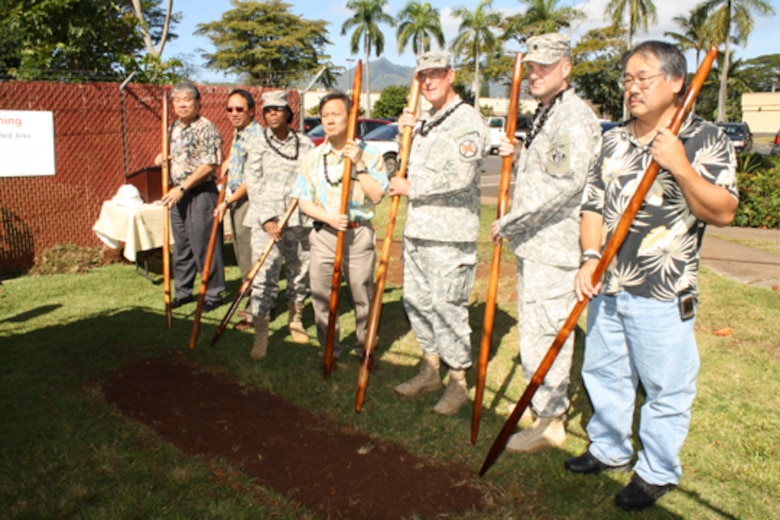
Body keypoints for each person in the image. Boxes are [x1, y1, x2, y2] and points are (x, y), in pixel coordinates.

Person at [565, 41, 738, 512]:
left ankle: (656, 470)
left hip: (662, 290)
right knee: (604, 371)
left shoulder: (705, 140)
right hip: (608, 283)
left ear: (677, 82)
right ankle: (609, 447)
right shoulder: (613, 139)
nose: (633, 88)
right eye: (627, 80)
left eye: (644, 78)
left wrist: (679, 163)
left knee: (665, 386)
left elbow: (722, 212)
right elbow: (592, 205)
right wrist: (589, 256)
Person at [489, 33, 602, 451]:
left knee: (545, 335)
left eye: (544, 66)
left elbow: (564, 186)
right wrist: (519, 154)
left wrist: (510, 221)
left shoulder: (571, 116)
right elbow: (547, 173)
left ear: (566, 68)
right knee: (536, 333)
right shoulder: (548, 112)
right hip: (539, 245)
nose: (534, 73)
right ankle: (543, 410)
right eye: (530, 67)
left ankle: (550, 421)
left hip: (554, 250)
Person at [389, 51, 489, 416]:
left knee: (448, 310)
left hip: (450, 238)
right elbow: (408, 164)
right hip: (418, 232)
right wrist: (405, 136)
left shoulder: (467, 121)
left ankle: (458, 383)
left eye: (434, 74)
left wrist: (410, 186)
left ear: (451, 75)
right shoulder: (424, 121)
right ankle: (431, 369)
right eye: (421, 76)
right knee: (416, 304)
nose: (427, 82)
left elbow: (459, 177)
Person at [290, 91, 388, 363]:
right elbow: (302, 200)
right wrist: (329, 217)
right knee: (321, 294)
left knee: (361, 292)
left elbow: (377, 195)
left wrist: (358, 163)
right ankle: (329, 346)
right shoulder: (313, 156)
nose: (330, 120)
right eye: (325, 115)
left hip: (358, 234)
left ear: (351, 117)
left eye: (336, 114)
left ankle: (364, 346)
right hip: (323, 234)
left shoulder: (370, 154)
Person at [243, 90, 315, 360]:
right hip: (267, 221)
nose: (273, 114)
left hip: (299, 217)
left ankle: (295, 318)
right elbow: (254, 183)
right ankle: (261, 331)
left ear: (288, 113)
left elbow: (311, 178)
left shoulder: (305, 144)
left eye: (278, 109)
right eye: (268, 110)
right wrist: (267, 219)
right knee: (264, 273)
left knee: (299, 270)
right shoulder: (257, 143)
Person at [157, 81, 224, 311]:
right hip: (178, 194)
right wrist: (161, 158)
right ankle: (183, 292)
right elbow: (175, 155)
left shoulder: (207, 128)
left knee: (204, 245)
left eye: (187, 99)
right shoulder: (173, 128)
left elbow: (208, 165)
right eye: (178, 100)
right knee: (182, 246)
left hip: (199, 193)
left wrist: (182, 188)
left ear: (197, 102)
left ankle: (213, 293)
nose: (182, 104)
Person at [214, 89, 262, 330]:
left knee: (251, 256)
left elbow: (251, 180)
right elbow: (240, 162)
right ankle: (254, 302)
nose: (234, 113)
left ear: (251, 110)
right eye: (229, 109)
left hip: (249, 202)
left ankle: (256, 310)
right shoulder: (240, 132)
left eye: (239, 109)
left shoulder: (255, 136)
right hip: (237, 201)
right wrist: (228, 165)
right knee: (242, 254)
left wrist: (227, 201)